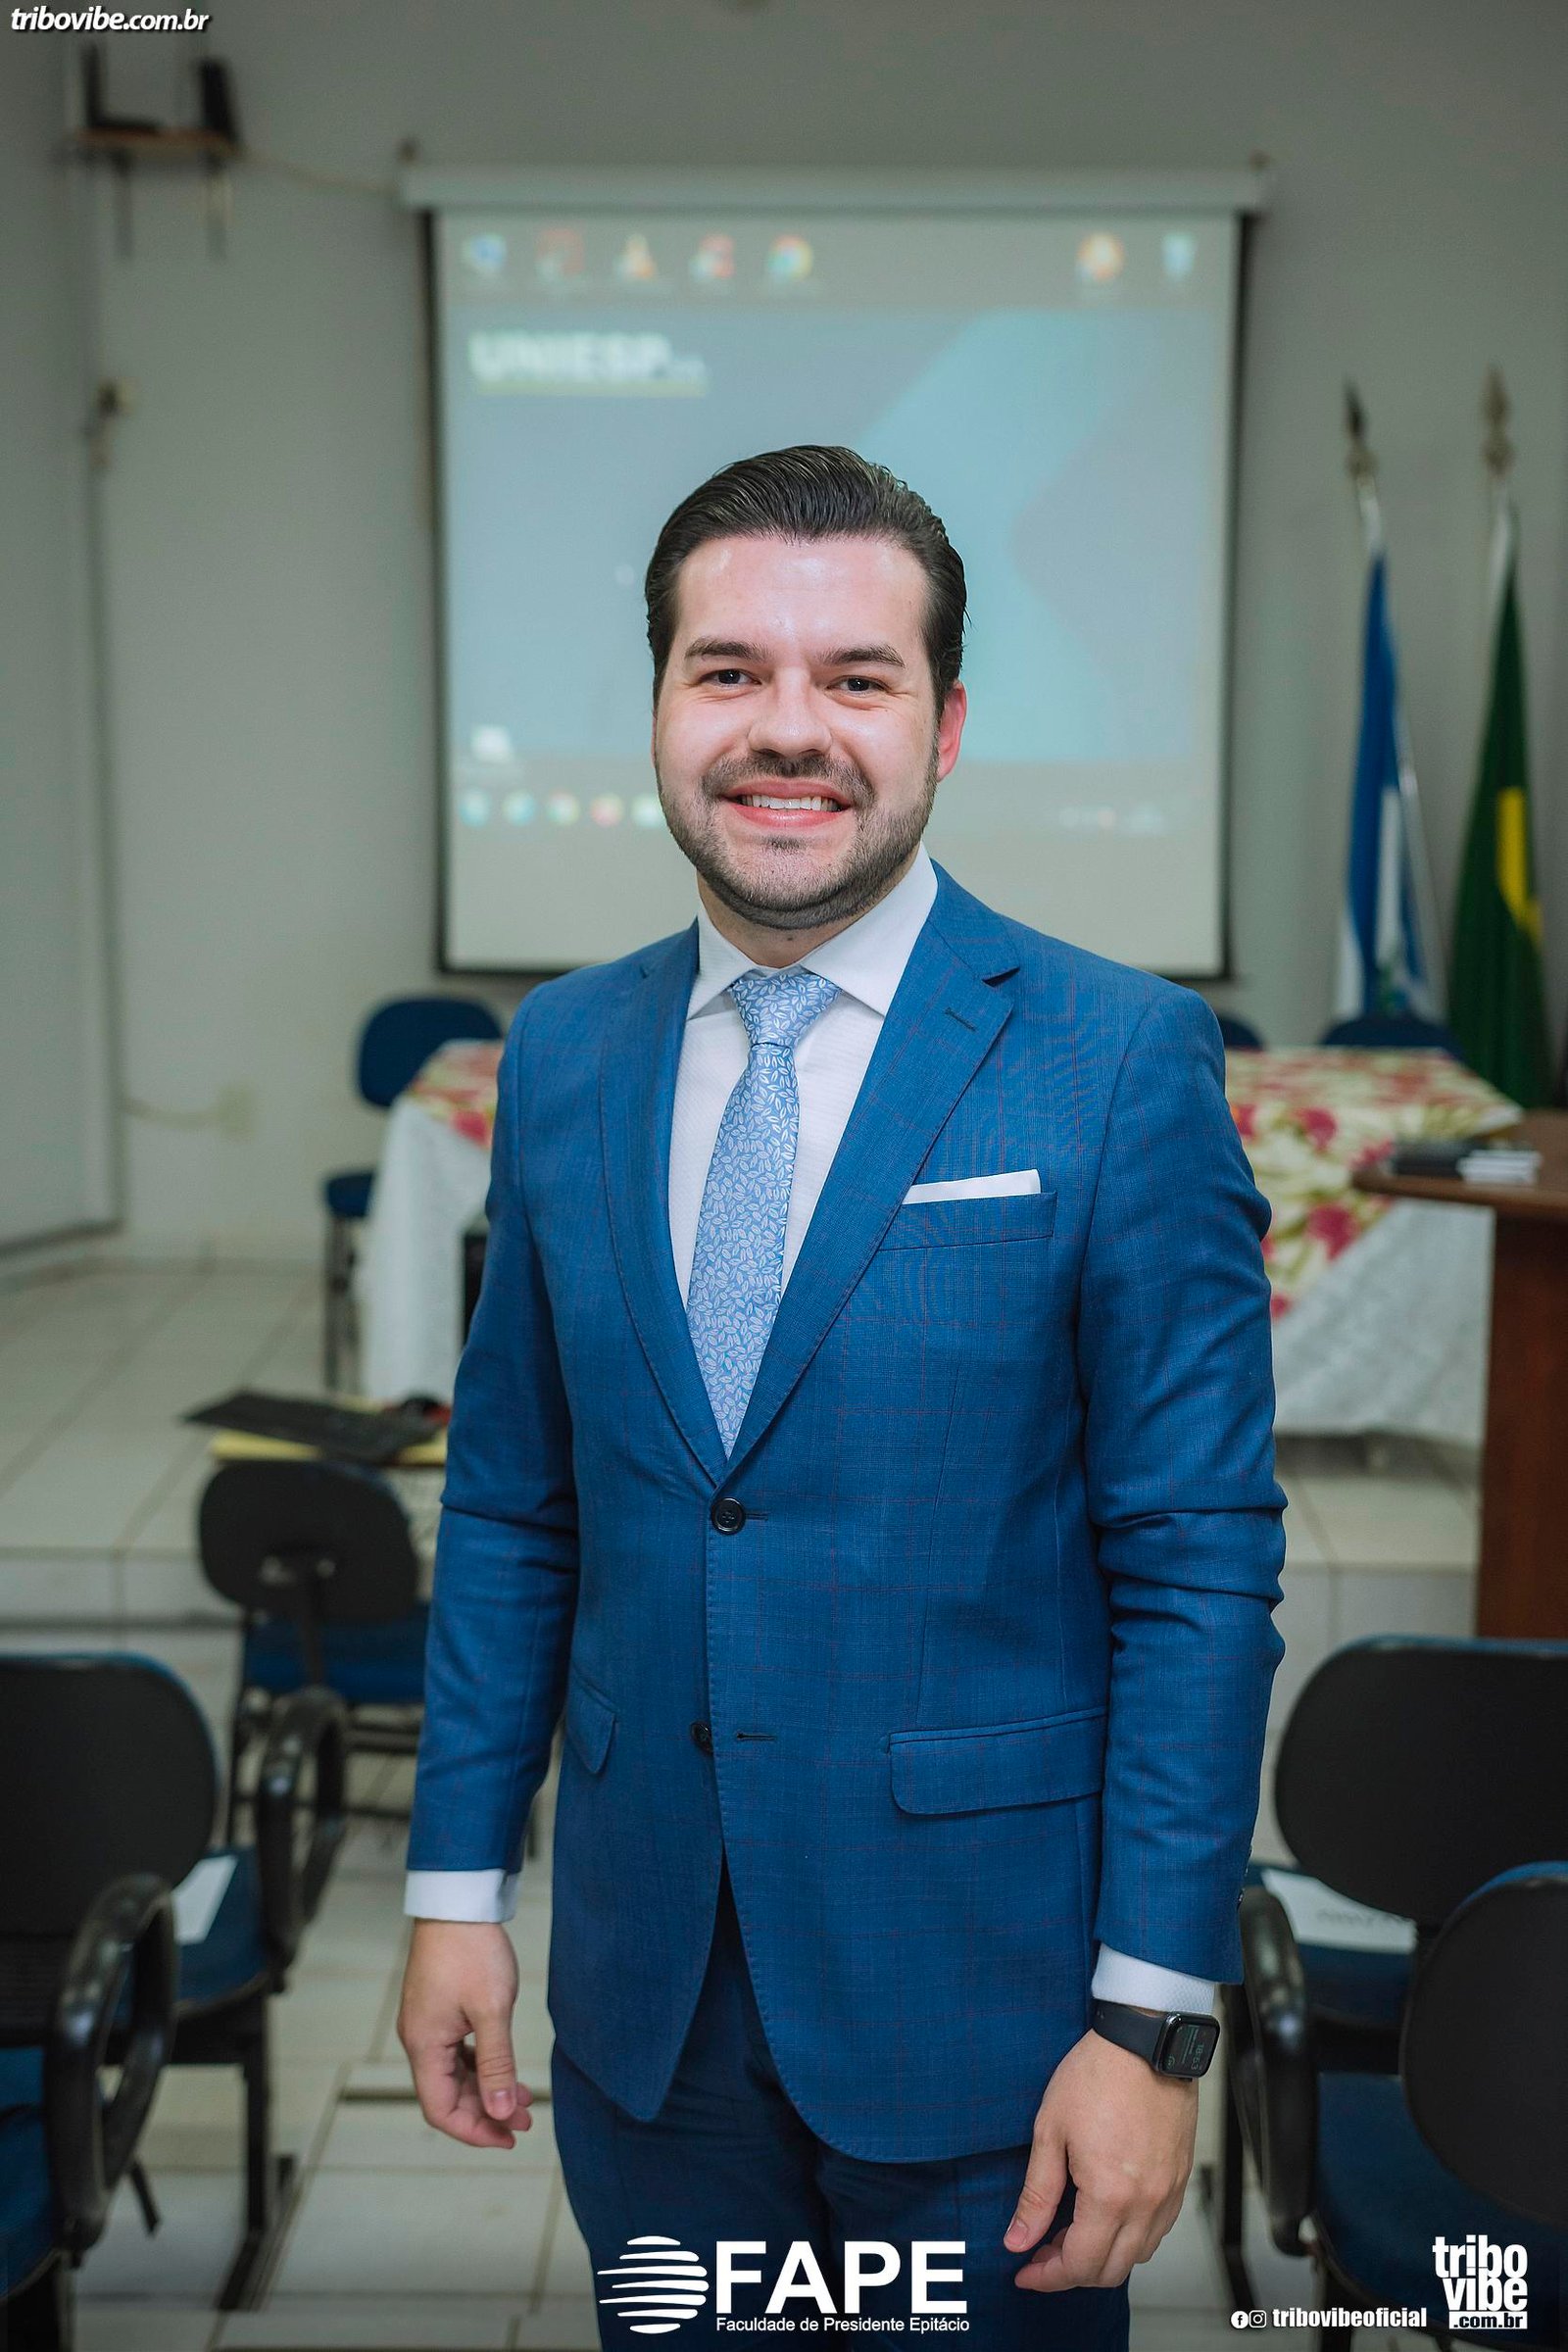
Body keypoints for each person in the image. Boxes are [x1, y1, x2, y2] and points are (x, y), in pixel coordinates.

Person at [397, 445, 1285, 2348]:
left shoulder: (1118, 1061)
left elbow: (1198, 1576)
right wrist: (454, 1887)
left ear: (944, 725)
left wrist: (1150, 2019)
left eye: (854, 678)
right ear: (658, 705)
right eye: (726, 670)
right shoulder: (561, 1055)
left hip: (989, 2027)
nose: (784, 730)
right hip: (648, 2019)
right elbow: (514, 1508)